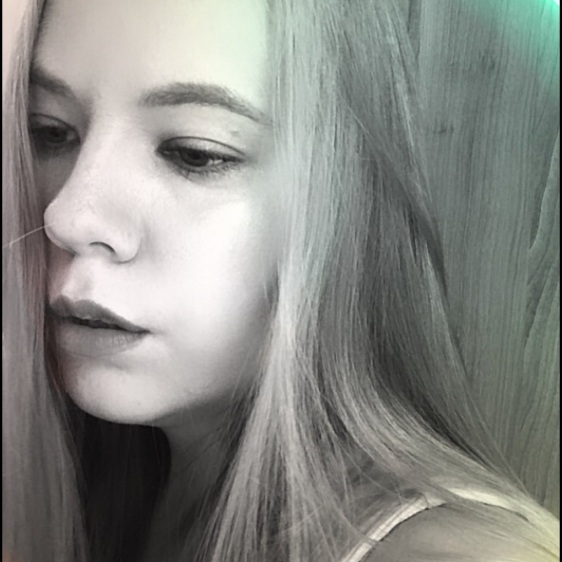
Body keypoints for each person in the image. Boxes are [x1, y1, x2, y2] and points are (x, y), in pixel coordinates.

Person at [2, 0, 559, 561]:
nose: (67, 217)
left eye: (195, 154)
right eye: (50, 131)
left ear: (343, 208)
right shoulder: (97, 484)